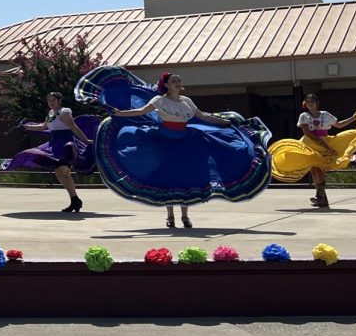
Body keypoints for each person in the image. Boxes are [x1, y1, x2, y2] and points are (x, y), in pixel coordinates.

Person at [77, 67, 271, 229]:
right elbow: (140, 111)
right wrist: (120, 113)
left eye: (179, 81)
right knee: (168, 176)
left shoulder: (187, 101)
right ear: (167, 85)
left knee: (186, 176)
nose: (178, 83)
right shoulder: (159, 101)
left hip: (187, 139)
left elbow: (203, 117)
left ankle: (185, 216)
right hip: (164, 139)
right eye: (174, 81)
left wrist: (225, 123)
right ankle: (170, 216)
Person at [269, 94, 356, 208]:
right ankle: (322, 198)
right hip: (310, 143)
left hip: (325, 141)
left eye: (312, 102)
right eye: (308, 102)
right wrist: (323, 144)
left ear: (317, 103)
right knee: (314, 169)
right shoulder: (304, 116)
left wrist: (354, 117)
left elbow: (339, 125)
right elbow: (307, 133)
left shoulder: (325, 115)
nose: (310, 104)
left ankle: (321, 198)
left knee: (318, 168)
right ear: (305, 104)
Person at [9, 93, 96, 213]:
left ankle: (75, 200)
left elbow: (73, 127)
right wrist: (26, 127)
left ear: (59, 100)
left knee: (62, 171)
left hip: (65, 143)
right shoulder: (50, 113)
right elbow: (43, 127)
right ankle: (75, 200)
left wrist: (85, 140)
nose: (51, 102)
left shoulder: (64, 112)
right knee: (61, 173)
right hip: (54, 144)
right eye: (49, 100)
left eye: (53, 100)